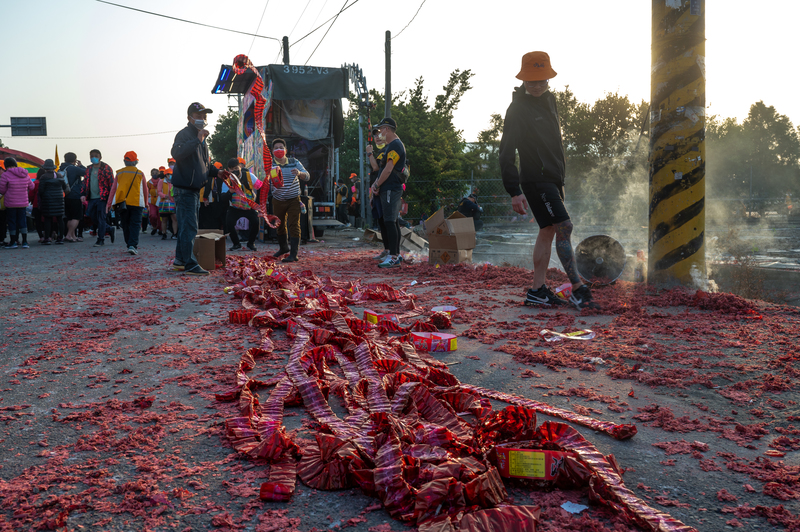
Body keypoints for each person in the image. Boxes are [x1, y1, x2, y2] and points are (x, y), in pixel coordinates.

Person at [499, 51, 598, 310]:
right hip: (535, 179)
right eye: (531, 81)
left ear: (548, 78)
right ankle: (577, 288)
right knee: (564, 226)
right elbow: (506, 151)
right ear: (523, 80)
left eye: (541, 80)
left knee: (548, 230)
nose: (537, 85)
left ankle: (537, 291)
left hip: (553, 178)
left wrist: (560, 177)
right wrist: (514, 190)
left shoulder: (550, 100)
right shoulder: (517, 108)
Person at [171, 102, 218, 275]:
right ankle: (190, 264)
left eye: (204, 117)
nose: (202, 120)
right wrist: (197, 140)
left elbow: (204, 165)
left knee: (186, 226)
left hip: (194, 189)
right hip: (184, 188)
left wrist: (217, 172)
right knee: (189, 227)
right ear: (189, 118)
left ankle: (180, 260)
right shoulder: (185, 135)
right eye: (198, 116)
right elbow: (176, 153)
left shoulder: (202, 140)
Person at [369, 117, 406, 269]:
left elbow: (388, 169)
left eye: (382, 129)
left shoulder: (395, 145)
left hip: (391, 188)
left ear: (388, 129)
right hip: (388, 188)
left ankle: (394, 256)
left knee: (390, 221)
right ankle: (394, 254)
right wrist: (376, 184)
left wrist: (377, 184)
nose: (380, 133)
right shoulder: (392, 145)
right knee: (392, 221)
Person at [270, 138, 309, 262]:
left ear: (286, 150)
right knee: (279, 225)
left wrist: (299, 173)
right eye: (276, 148)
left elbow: (307, 176)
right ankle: (284, 248)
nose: (279, 150)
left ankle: (294, 254)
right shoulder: (269, 164)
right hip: (277, 199)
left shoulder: (294, 162)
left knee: (294, 225)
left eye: (281, 147)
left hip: (293, 199)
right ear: (272, 151)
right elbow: (262, 179)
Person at [107, 151, 148, 255]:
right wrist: (146, 203)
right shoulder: (140, 173)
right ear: (135, 162)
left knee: (125, 224)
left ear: (124, 161)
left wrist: (109, 204)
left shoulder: (119, 173)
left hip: (122, 202)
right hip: (137, 202)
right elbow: (145, 190)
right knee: (135, 224)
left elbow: (113, 189)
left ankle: (128, 244)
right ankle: (132, 245)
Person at [224, 157, 262, 251]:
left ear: (240, 166)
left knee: (256, 222)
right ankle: (236, 244)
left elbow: (260, 187)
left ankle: (251, 243)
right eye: (232, 169)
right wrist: (229, 192)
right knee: (229, 223)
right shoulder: (227, 179)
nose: (235, 171)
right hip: (235, 207)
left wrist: (258, 204)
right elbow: (222, 197)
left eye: (236, 168)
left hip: (249, 206)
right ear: (229, 170)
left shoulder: (250, 176)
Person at [81, 149, 116, 247]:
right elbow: (85, 182)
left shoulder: (106, 168)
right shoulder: (89, 169)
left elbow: (112, 183)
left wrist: (111, 198)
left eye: (95, 156)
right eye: (91, 156)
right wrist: (83, 194)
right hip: (91, 197)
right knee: (92, 217)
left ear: (100, 157)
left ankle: (100, 239)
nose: (93, 158)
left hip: (103, 197)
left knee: (101, 218)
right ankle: (108, 229)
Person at [0, 157, 34, 249]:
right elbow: (32, 186)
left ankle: (13, 242)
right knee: (22, 221)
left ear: (6, 165)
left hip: (10, 203)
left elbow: (2, 190)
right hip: (23, 202)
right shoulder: (25, 173)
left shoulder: (5, 175)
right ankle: (25, 242)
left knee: (12, 222)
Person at [366, 129, 390, 260]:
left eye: (379, 134)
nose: (377, 137)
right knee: (381, 222)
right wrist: (371, 195)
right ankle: (387, 250)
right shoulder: (381, 151)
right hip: (377, 192)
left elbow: (375, 168)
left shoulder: (386, 150)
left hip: (384, 191)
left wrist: (369, 154)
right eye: (375, 135)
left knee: (388, 222)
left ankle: (392, 252)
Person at [38, 159, 69, 244]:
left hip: (48, 200)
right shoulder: (59, 176)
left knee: (48, 219)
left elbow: (41, 190)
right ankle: (60, 238)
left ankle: (47, 238)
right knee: (60, 219)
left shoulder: (43, 177)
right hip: (59, 199)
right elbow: (65, 188)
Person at [61, 152, 87, 242]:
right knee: (76, 217)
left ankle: (73, 236)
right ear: (75, 160)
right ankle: (69, 235)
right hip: (75, 195)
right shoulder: (74, 169)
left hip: (65, 195)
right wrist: (81, 166)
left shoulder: (61, 168)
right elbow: (86, 173)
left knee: (69, 217)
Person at [158, 168, 177, 240]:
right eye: (168, 174)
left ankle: (175, 234)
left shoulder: (174, 181)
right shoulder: (161, 181)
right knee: (164, 219)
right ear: (165, 175)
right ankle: (164, 233)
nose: (170, 176)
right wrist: (163, 195)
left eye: (171, 174)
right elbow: (159, 191)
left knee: (174, 218)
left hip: (173, 202)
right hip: (164, 203)